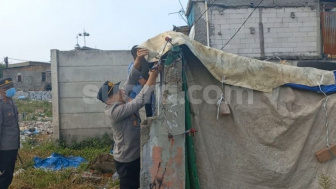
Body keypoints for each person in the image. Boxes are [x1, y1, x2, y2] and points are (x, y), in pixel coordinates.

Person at [97, 48, 160, 189]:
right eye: (115, 92)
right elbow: (139, 101)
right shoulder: (114, 111)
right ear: (108, 101)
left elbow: (131, 79)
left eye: (117, 88)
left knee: (137, 183)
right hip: (126, 160)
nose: (120, 91)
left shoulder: (120, 98)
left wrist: (138, 60)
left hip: (135, 154)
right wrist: (152, 78)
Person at [0, 78, 20, 189]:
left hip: (12, 145)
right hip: (4, 148)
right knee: (4, 177)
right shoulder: (0, 104)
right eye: (7, 88)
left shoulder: (11, 101)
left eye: (11, 86)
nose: (11, 89)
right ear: (1, 90)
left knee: (8, 176)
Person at [128, 45, 155, 117]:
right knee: (134, 117)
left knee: (149, 113)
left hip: (143, 96)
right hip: (135, 97)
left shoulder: (140, 65)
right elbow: (143, 82)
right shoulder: (133, 67)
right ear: (137, 54)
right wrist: (153, 76)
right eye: (141, 51)